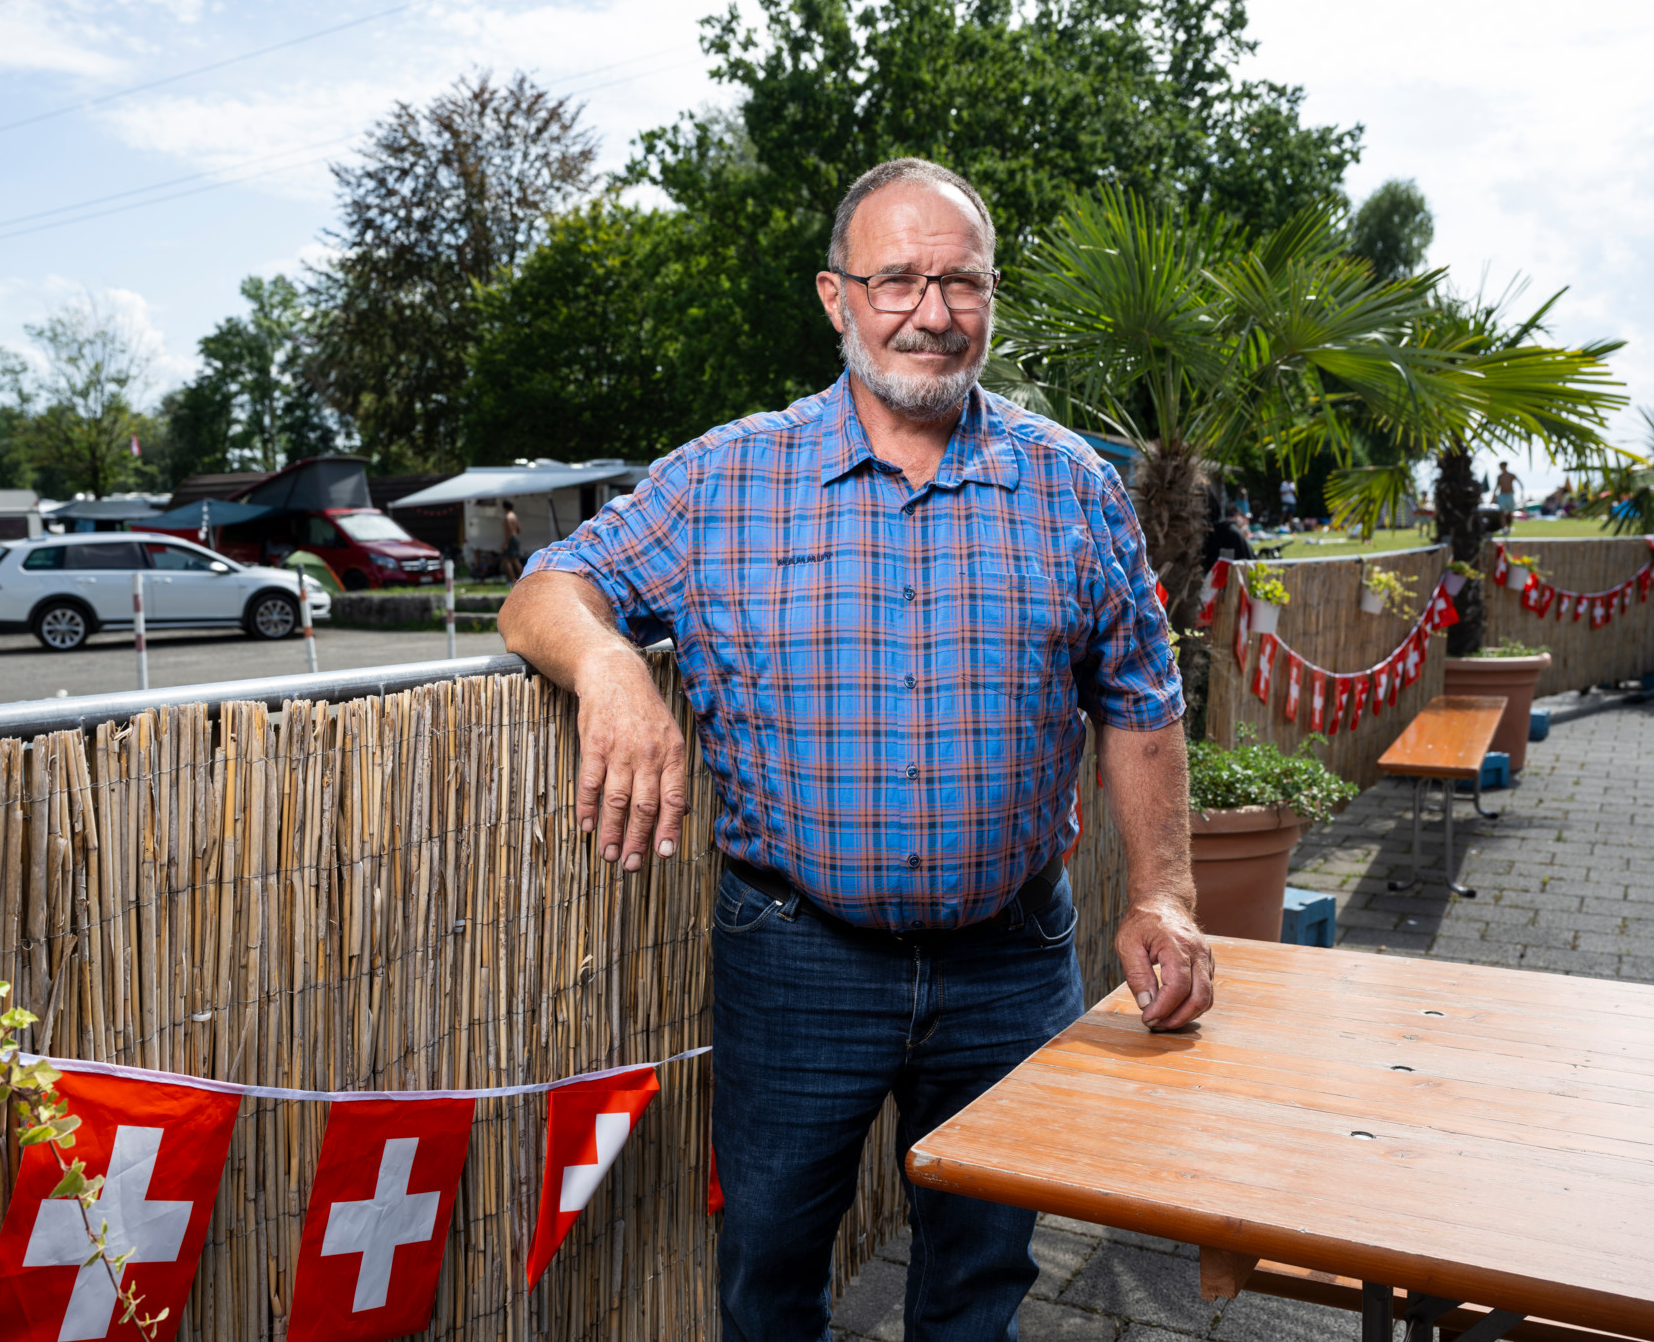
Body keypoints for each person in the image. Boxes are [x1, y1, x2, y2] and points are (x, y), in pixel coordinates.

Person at [497, 158, 1212, 1341]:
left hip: (1011, 955)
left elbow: (1140, 700)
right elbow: (541, 589)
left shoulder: (1072, 487)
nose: (929, 313)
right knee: (771, 1263)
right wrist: (613, 667)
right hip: (797, 959)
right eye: (895, 281)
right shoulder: (727, 479)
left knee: (982, 1271)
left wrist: (1167, 894)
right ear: (836, 299)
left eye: (959, 282)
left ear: (989, 296)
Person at [500, 500, 525, 581]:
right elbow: (518, 529)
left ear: (504, 508)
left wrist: (506, 543)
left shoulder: (507, 517)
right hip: (515, 537)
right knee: (515, 560)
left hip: (510, 539)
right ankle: (523, 579)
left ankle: (512, 580)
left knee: (506, 560)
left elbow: (509, 531)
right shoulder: (514, 516)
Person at [1495, 462, 1520, 528]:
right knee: (1502, 513)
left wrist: (1521, 494)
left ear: (1505, 466)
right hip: (1502, 495)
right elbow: (1497, 486)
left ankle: (1509, 527)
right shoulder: (1499, 476)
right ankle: (1504, 528)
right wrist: (1493, 496)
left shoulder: (1511, 475)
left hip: (1509, 495)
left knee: (1510, 513)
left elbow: (1519, 482)